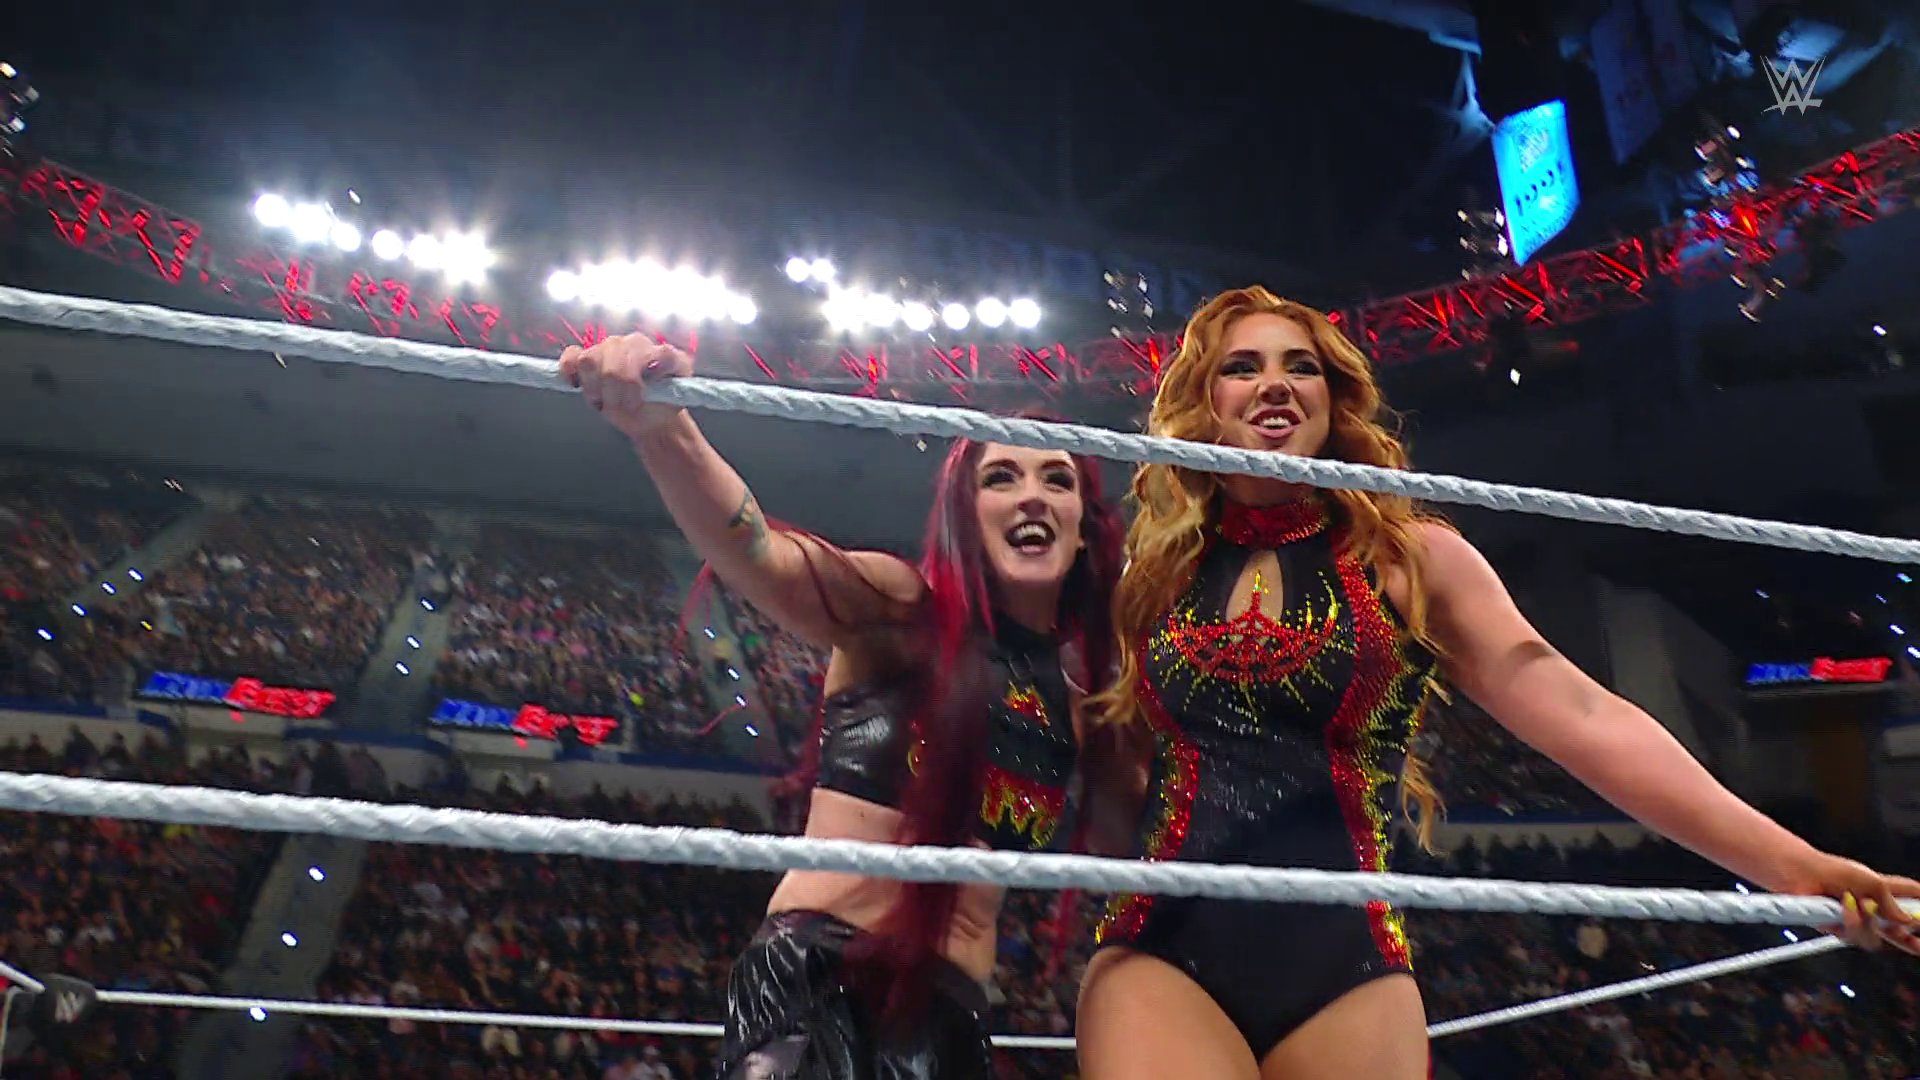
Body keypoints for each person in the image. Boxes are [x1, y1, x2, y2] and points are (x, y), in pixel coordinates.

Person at [1073, 286, 1920, 1080]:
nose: (1277, 383)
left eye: (1302, 366)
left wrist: (1795, 866)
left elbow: (1582, 712)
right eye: (1242, 366)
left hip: (1344, 962)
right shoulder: (1154, 577)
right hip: (1163, 947)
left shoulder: (1409, 559)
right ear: (1203, 403)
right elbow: (1112, 770)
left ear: (1334, 400)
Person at [558, 334, 1124, 1079]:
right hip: (823, 978)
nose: (1031, 495)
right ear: (966, 515)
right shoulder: (900, 611)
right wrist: (665, 428)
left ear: (1083, 528)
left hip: (953, 1014)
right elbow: (759, 553)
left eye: (1057, 479)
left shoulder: (1084, 714)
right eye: (1001, 477)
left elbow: (1158, 845)